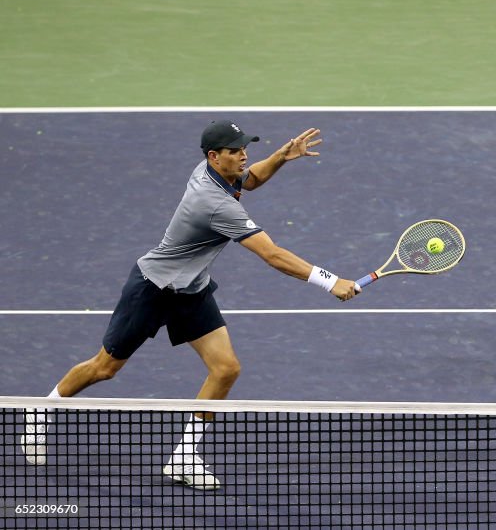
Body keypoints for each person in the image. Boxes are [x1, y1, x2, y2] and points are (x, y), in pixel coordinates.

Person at [20, 120, 358, 489]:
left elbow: (251, 180)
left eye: (244, 147)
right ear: (214, 157)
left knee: (226, 369)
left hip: (191, 290)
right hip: (152, 290)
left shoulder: (212, 173)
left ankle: (183, 457)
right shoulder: (212, 204)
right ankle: (42, 408)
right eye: (235, 150)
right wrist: (330, 281)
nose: (244, 155)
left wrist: (281, 156)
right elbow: (273, 255)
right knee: (104, 368)